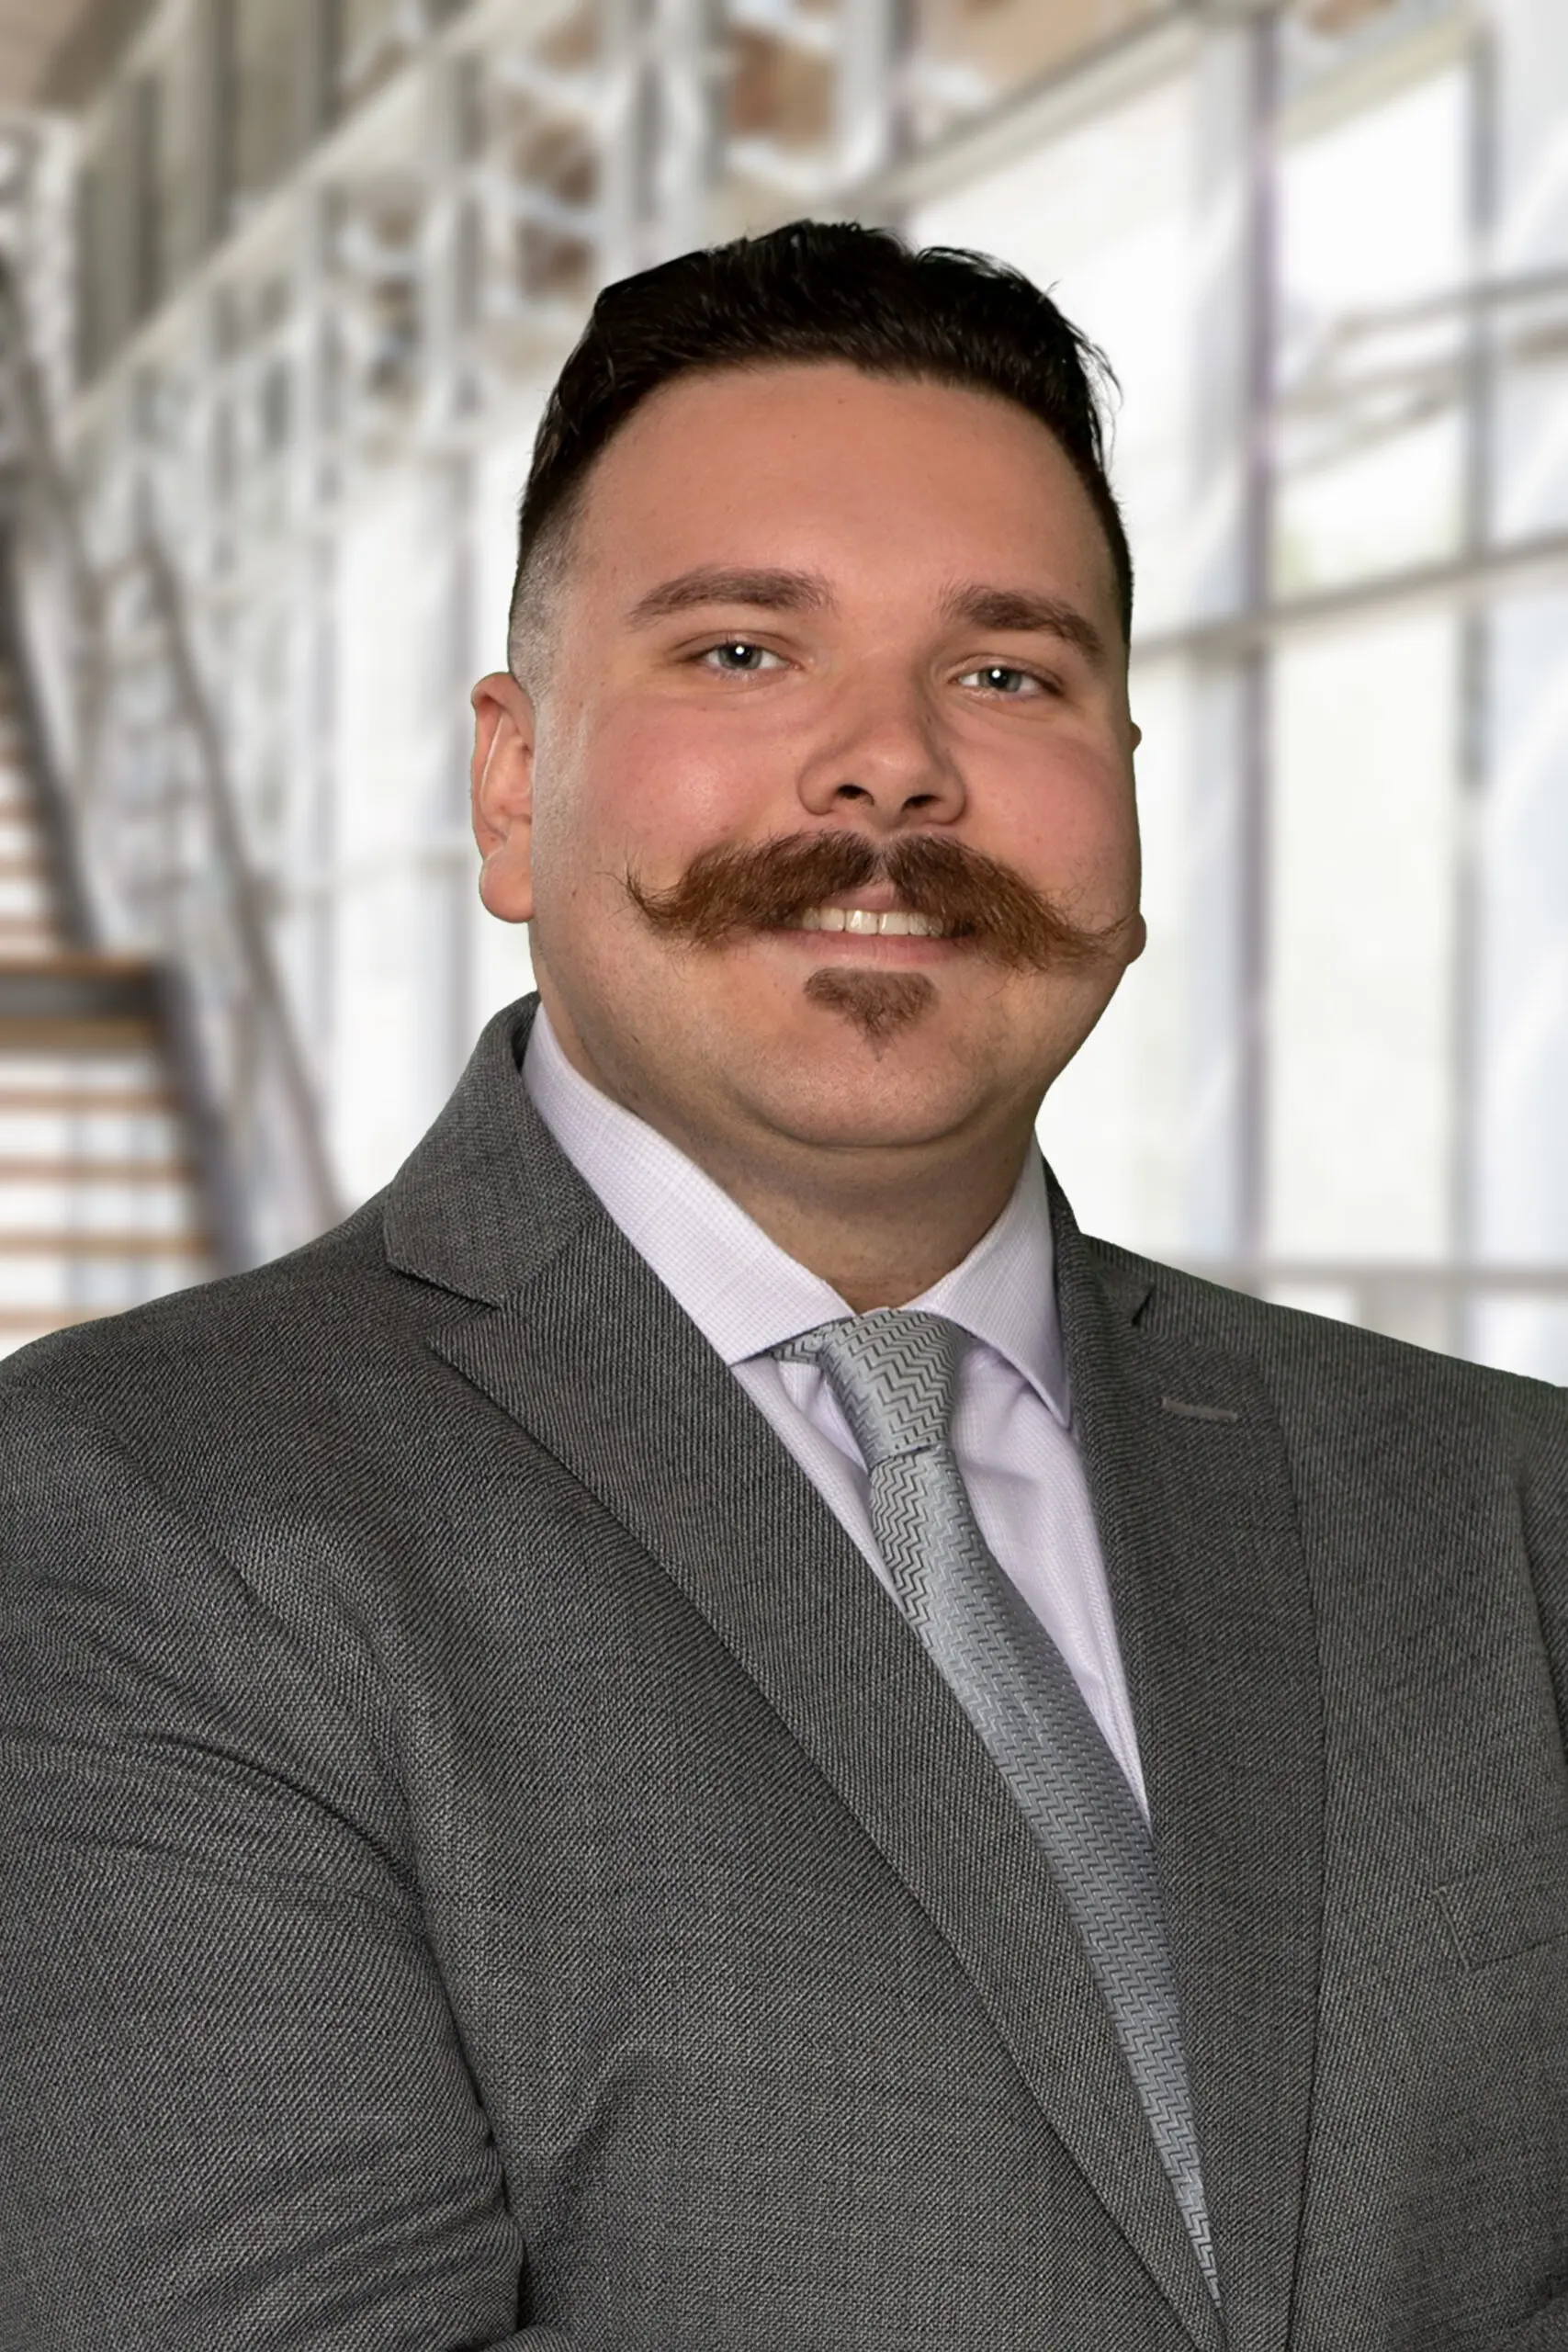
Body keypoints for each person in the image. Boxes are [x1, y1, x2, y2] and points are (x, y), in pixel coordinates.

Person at [2, 218, 1566, 2352]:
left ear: (1122, 801)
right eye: (743, 649)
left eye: (1008, 671)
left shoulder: (1498, 1507)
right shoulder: (129, 1514)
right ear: (511, 779)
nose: (891, 768)